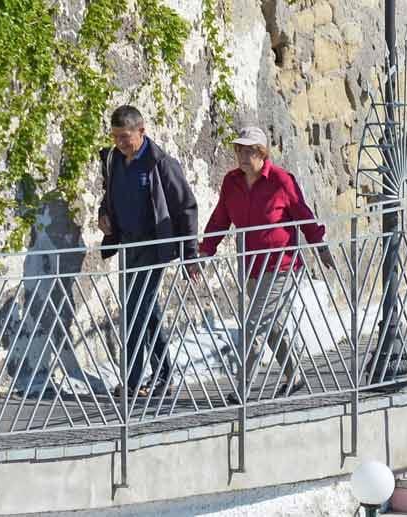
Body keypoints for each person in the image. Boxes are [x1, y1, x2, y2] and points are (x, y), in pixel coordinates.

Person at [199, 127, 334, 401]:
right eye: (239, 150)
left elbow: (304, 216)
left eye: (249, 151)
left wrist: (320, 247)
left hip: (281, 266)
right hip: (252, 267)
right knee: (272, 327)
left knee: (255, 326)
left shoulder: (282, 181)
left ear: (262, 154)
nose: (243, 156)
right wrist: (204, 252)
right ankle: (294, 375)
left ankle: (242, 390)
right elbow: (220, 219)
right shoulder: (231, 182)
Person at [98, 105, 199, 398]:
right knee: (144, 310)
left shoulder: (161, 163)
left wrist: (190, 254)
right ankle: (162, 376)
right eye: (115, 136)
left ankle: (134, 380)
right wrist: (104, 215)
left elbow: (186, 207)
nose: (119, 143)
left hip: (154, 247)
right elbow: (109, 195)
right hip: (128, 245)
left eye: (125, 136)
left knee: (134, 311)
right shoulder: (114, 160)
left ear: (142, 131)